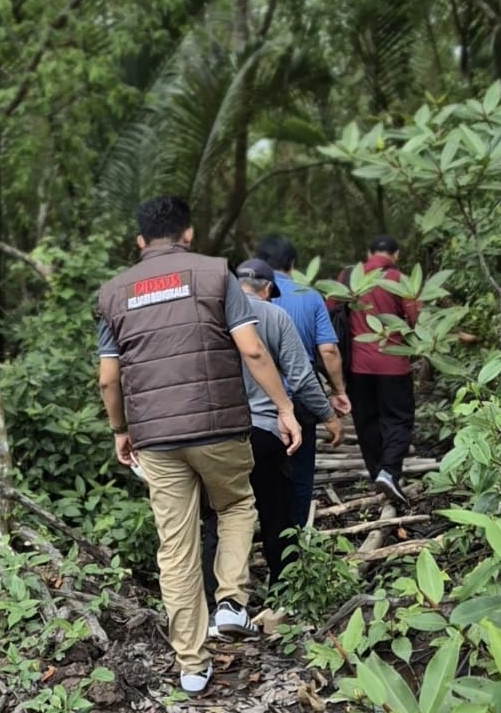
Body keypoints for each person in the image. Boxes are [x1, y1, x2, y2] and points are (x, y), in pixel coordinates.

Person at [95, 197, 302, 695]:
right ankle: (231, 601)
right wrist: (284, 408)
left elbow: (108, 378)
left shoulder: (112, 293)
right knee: (235, 504)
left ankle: (191, 663)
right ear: (188, 233)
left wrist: (121, 430)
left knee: (176, 544)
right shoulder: (215, 274)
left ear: (141, 241)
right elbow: (251, 348)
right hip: (219, 430)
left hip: (156, 439)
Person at [201, 258, 344, 619]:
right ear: (268, 288)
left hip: (215, 432)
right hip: (264, 432)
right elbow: (301, 376)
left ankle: (213, 603)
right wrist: (328, 416)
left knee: (218, 518)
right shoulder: (274, 316)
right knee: (276, 514)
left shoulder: (208, 316)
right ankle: (283, 595)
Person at [254, 234, 351, 526]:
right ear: (293, 264)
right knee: (299, 469)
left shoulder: (237, 298)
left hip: (254, 398)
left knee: (259, 467)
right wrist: (338, 390)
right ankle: (294, 536)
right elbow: (328, 350)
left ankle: (264, 527)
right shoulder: (307, 295)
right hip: (299, 395)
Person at [346, 234, 421, 507]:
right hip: (393, 363)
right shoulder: (399, 280)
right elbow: (416, 320)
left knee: (366, 421)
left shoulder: (348, 280)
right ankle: (389, 472)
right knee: (398, 419)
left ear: (368, 253)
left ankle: (377, 473)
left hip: (357, 365)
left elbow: (331, 313)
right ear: (396, 254)